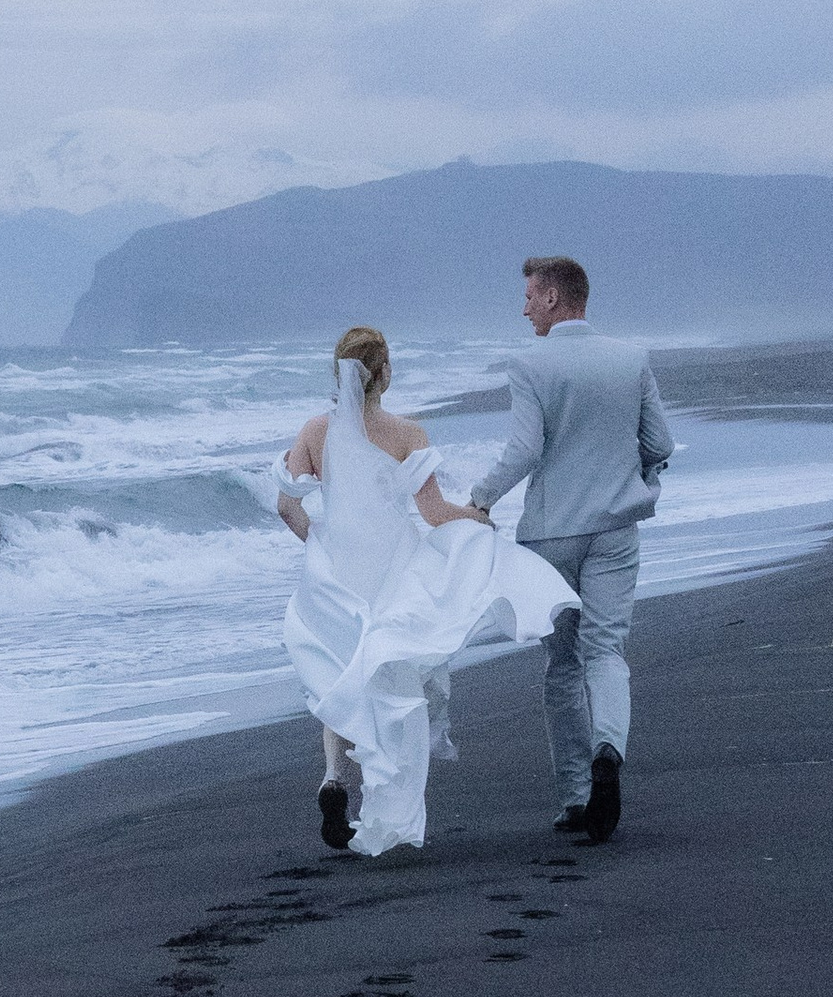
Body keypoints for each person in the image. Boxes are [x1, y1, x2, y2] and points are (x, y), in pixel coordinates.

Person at [274, 324, 574, 857]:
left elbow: (287, 505)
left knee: (344, 673)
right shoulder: (407, 434)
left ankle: (333, 778)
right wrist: (477, 519)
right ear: (384, 373)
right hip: (393, 565)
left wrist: (316, 546)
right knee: (390, 671)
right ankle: (379, 794)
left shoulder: (316, 430)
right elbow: (436, 516)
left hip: (338, 569)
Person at [457, 256, 672, 843]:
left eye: (529, 295)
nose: (523, 306)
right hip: (616, 529)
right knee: (607, 651)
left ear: (553, 297)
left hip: (551, 536)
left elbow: (525, 450)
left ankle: (577, 795)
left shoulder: (529, 364)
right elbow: (660, 441)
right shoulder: (632, 359)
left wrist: (480, 499)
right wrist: (643, 482)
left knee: (562, 665)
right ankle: (610, 751)